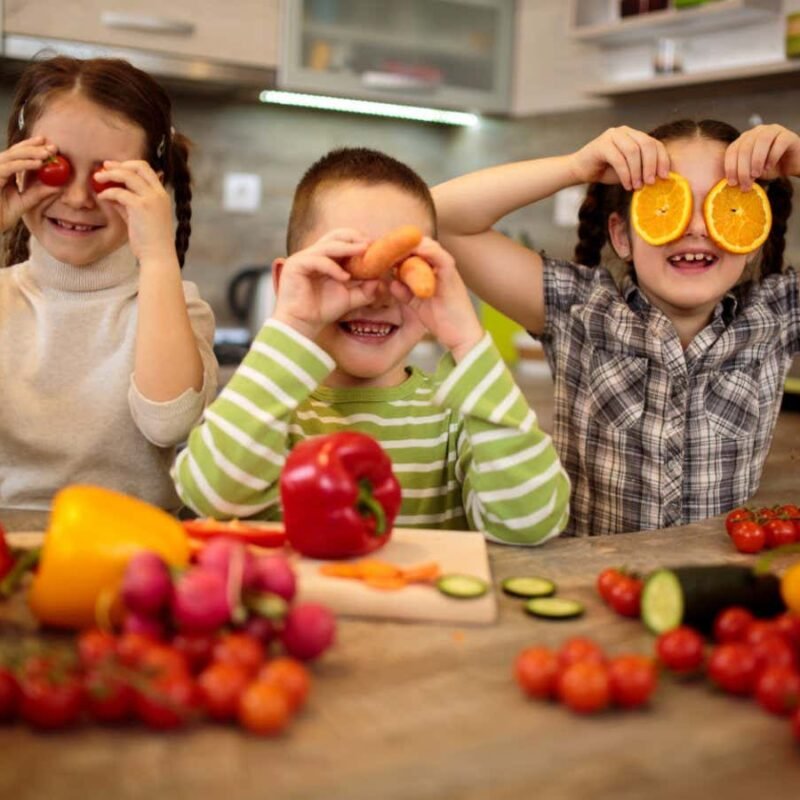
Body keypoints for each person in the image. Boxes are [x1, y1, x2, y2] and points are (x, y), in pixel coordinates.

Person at [173, 147, 569, 545]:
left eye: (401, 268)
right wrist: (292, 322)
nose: (377, 297)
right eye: (347, 266)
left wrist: (469, 340)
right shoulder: (270, 410)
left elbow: (532, 522)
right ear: (287, 281)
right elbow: (210, 494)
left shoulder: (460, 415)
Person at [432, 120, 800, 536]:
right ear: (622, 236)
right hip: (592, 580)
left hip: (714, 580)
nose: (697, 227)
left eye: (724, 205)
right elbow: (438, 217)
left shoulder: (780, 314)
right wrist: (574, 167)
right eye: (667, 204)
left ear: (751, 232)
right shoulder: (577, 307)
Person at [0, 56, 217, 510]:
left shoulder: (177, 307)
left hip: (131, 548)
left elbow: (169, 423)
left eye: (106, 177)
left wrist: (157, 254)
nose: (78, 199)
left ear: (149, 189)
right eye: (54, 167)